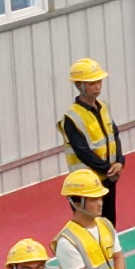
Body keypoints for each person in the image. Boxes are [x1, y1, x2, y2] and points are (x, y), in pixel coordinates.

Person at [56, 59, 123, 215]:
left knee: (108, 223)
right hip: (86, 184)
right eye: (92, 83)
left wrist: (120, 161)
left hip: (108, 178)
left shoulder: (103, 107)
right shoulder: (72, 117)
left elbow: (114, 135)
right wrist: (109, 168)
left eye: (99, 81)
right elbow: (83, 151)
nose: (97, 86)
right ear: (79, 85)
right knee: (90, 223)